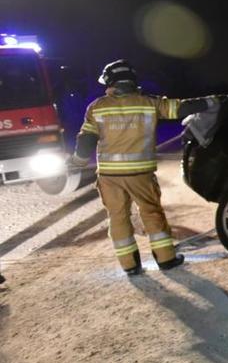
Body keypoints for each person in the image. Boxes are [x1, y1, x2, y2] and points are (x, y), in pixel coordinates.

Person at [68, 60, 216, 276]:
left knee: (118, 218)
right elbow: (181, 108)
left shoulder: (97, 107)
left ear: (110, 82)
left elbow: (86, 140)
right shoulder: (149, 103)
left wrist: (78, 162)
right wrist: (212, 102)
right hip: (141, 175)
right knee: (151, 213)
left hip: (109, 176)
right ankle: (166, 259)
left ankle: (129, 265)